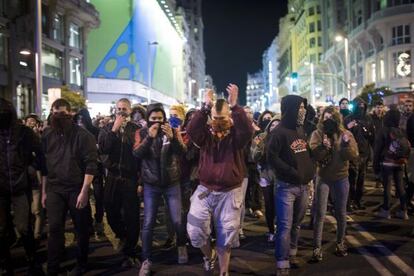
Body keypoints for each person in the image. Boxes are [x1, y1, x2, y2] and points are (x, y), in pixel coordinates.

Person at [186, 85, 253, 275]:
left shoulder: (236, 137)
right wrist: (205, 107)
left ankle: (224, 271)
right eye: (214, 118)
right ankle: (209, 255)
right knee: (195, 231)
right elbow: (191, 130)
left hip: (230, 191)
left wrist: (236, 106)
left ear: (229, 117)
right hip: (205, 189)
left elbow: (247, 132)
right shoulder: (205, 136)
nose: (218, 122)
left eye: (222, 118)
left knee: (228, 234)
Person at [41, 99, 98, 275]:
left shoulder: (83, 135)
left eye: (62, 113)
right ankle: (53, 266)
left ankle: (81, 264)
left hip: (76, 189)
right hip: (54, 189)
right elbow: (45, 164)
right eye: (55, 113)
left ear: (70, 113)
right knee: (55, 228)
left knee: (81, 229)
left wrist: (84, 191)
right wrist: (44, 191)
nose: (58, 117)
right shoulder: (47, 134)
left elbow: (91, 164)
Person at [134, 103, 188, 276]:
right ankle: (146, 260)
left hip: (172, 182)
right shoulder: (141, 133)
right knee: (148, 222)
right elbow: (136, 154)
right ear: (148, 119)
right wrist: (149, 137)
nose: (157, 121)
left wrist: (173, 137)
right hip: (151, 184)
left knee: (178, 219)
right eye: (153, 119)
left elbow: (182, 152)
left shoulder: (172, 130)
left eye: (160, 118)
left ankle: (181, 246)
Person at [266, 95, 316, 276]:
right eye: (300, 107)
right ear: (291, 109)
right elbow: (271, 158)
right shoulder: (278, 132)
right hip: (286, 186)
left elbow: (306, 154)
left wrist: (309, 171)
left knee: (297, 224)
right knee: (285, 226)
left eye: (304, 107)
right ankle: (282, 263)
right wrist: (292, 172)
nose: (302, 111)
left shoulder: (300, 129)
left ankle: (292, 255)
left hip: (303, 185)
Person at [309, 106, 358, 262]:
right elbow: (315, 156)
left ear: (337, 119)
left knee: (341, 213)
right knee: (320, 214)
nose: (327, 120)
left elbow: (352, 155)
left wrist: (345, 144)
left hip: (341, 178)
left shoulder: (345, 134)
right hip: (323, 178)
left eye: (331, 117)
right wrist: (324, 146)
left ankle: (340, 242)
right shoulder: (317, 134)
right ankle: (317, 247)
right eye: (325, 117)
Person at [0, 99, 43, 275]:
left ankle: (32, 258)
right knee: (1, 229)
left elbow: (40, 154)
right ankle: (5, 264)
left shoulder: (24, 133)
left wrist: (31, 169)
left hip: (20, 186)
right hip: (1, 188)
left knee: (24, 227)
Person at [98, 98, 141, 268]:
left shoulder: (137, 130)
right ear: (115, 110)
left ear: (130, 111)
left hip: (130, 178)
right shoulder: (107, 128)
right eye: (119, 108)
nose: (121, 111)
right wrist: (114, 129)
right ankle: (122, 236)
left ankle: (130, 250)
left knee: (131, 216)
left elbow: (141, 157)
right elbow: (103, 149)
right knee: (111, 211)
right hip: (113, 177)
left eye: (124, 109)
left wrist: (140, 181)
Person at [374, 107, 411, 220]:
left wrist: (375, 165)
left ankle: (386, 210)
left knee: (387, 187)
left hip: (387, 162)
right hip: (399, 162)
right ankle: (403, 211)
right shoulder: (401, 131)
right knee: (400, 187)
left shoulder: (383, 130)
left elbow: (377, 149)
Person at [75, 108, 105, 240]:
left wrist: (97, 149)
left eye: (82, 119)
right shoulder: (74, 133)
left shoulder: (95, 131)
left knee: (99, 195)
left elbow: (103, 149)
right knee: (83, 194)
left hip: (96, 168)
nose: (80, 122)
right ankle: (87, 223)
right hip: (80, 169)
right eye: (78, 119)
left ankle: (98, 220)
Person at [251, 114, 281, 242]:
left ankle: (281, 230)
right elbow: (254, 157)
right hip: (266, 176)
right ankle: (271, 231)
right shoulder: (261, 137)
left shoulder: (285, 138)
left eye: (277, 125)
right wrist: (259, 147)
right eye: (272, 125)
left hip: (281, 177)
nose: (274, 127)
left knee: (281, 206)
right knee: (269, 206)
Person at [344, 97, 375, 211]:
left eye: (363, 106)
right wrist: (349, 127)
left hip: (364, 153)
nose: (361, 108)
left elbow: (373, 136)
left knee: (361, 179)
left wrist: (369, 134)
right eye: (359, 106)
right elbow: (342, 134)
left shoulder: (368, 119)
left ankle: (358, 200)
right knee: (352, 178)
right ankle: (350, 201)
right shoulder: (348, 119)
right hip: (352, 153)